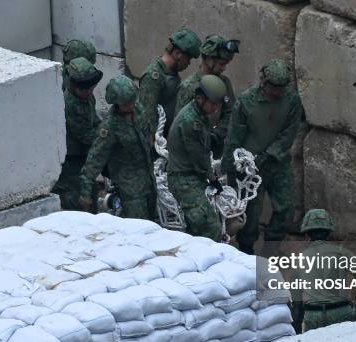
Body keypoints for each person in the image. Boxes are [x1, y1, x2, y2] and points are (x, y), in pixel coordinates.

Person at [222, 58, 304, 254]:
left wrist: (271, 154)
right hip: (250, 167)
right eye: (274, 87)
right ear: (263, 82)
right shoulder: (246, 102)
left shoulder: (291, 101)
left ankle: (271, 248)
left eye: (281, 88)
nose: (277, 92)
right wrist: (229, 168)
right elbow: (234, 137)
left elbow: (289, 132)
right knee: (250, 213)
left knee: (286, 207)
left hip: (277, 164)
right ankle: (247, 249)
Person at [78, 75, 156, 220]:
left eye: (133, 101)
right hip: (130, 189)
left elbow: (148, 129)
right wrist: (85, 193)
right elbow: (94, 161)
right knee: (138, 228)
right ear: (117, 103)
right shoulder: (109, 128)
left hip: (148, 180)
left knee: (153, 224)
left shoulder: (138, 110)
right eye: (127, 104)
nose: (132, 105)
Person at [166, 75, 227, 242]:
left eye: (217, 105)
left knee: (197, 229)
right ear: (200, 99)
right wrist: (212, 178)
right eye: (213, 104)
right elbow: (199, 157)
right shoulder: (191, 122)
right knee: (209, 227)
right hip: (183, 179)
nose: (215, 109)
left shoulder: (198, 115)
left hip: (192, 176)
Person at [291, 209, 356, 333]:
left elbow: (297, 303)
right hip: (341, 312)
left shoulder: (299, 259)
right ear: (329, 232)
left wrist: (297, 335)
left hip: (313, 314)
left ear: (306, 234)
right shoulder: (343, 253)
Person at [52, 57, 103, 210]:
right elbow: (85, 136)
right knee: (77, 201)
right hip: (70, 162)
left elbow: (94, 120)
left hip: (84, 157)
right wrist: (108, 133)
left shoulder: (88, 97)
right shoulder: (69, 105)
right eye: (84, 89)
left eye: (91, 88)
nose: (88, 92)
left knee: (90, 192)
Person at [175, 35, 239, 148]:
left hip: (218, 146)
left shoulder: (224, 83)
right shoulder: (188, 87)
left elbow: (230, 112)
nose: (224, 68)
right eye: (221, 64)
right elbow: (180, 124)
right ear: (209, 60)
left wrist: (217, 134)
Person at [138, 27, 201, 135]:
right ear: (177, 54)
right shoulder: (153, 77)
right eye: (188, 59)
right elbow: (147, 117)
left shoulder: (171, 73)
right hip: (158, 141)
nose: (189, 63)